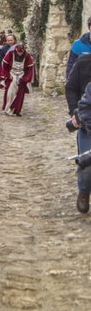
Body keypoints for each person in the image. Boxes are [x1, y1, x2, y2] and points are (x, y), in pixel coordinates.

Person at [65, 52, 91, 213]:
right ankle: (84, 191)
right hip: (87, 125)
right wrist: (76, 114)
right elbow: (71, 88)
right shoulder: (83, 61)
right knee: (87, 163)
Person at [0, 42, 36, 116]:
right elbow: (4, 65)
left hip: (21, 76)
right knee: (10, 93)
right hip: (12, 75)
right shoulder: (10, 54)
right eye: (18, 52)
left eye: (21, 52)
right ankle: (8, 109)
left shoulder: (27, 56)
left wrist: (24, 79)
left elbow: (29, 69)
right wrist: (7, 75)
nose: (19, 54)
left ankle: (16, 110)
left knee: (19, 95)